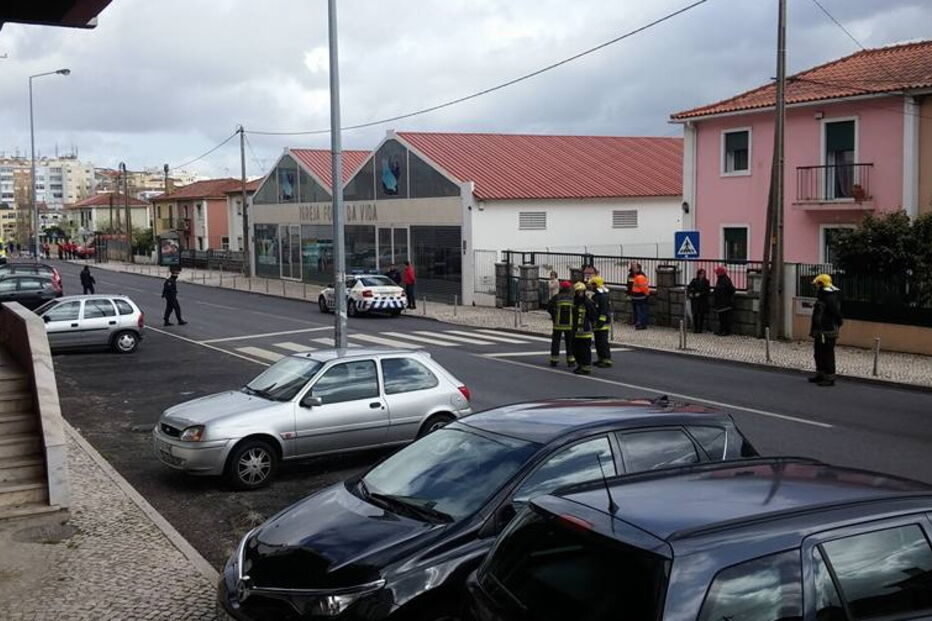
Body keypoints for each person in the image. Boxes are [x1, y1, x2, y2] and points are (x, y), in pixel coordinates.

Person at [809, 273, 843, 387]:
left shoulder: (830, 297)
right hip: (820, 330)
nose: (816, 287)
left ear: (821, 284)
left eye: (817, 285)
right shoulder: (823, 296)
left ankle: (829, 378)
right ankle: (820, 374)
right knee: (818, 353)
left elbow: (836, 314)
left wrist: (837, 324)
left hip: (828, 331)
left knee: (827, 354)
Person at [546, 280, 576, 367]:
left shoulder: (556, 297)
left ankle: (554, 360)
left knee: (556, 342)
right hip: (569, 325)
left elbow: (549, 308)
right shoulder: (572, 298)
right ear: (569, 288)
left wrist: (554, 316)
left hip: (557, 324)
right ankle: (571, 361)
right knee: (570, 343)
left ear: (561, 288)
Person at [571, 281, 597, 375]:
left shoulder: (588, 302)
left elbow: (593, 315)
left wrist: (593, 325)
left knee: (585, 350)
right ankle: (580, 365)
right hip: (575, 331)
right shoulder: (574, 302)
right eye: (578, 292)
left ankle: (586, 367)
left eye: (582, 291)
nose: (580, 293)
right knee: (575, 350)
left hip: (585, 331)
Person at [589, 276, 613, 367]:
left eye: (592, 284)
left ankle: (607, 360)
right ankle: (601, 358)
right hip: (598, 322)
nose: (590, 286)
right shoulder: (597, 295)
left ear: (596, 285)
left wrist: (600, 322)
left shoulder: (602, 296)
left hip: (602, 323)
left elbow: (603, 311)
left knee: (603, 342)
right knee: (598, 342)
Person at [712, 266, 736, 336]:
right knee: (722, 318)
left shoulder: (725, 280)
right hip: (722, 303)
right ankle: (722, 330)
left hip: (725, 303)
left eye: (717, 273)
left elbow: (731, 290)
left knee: (724, 318)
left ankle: (725, 331)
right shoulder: (721, 279)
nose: (716, 274)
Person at [687, 268, 711, 333]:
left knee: (701, 315)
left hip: (702, 300)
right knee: (695, 314)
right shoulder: (694, 280)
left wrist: (700, 294)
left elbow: (707, 291)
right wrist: (690, 293)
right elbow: (689, 287)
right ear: (698, 274)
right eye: (701, 274)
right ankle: (695, 328)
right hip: (695, 300)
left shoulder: (706, 281)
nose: (702, 275)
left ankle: (700, 328)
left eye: (703, 274)